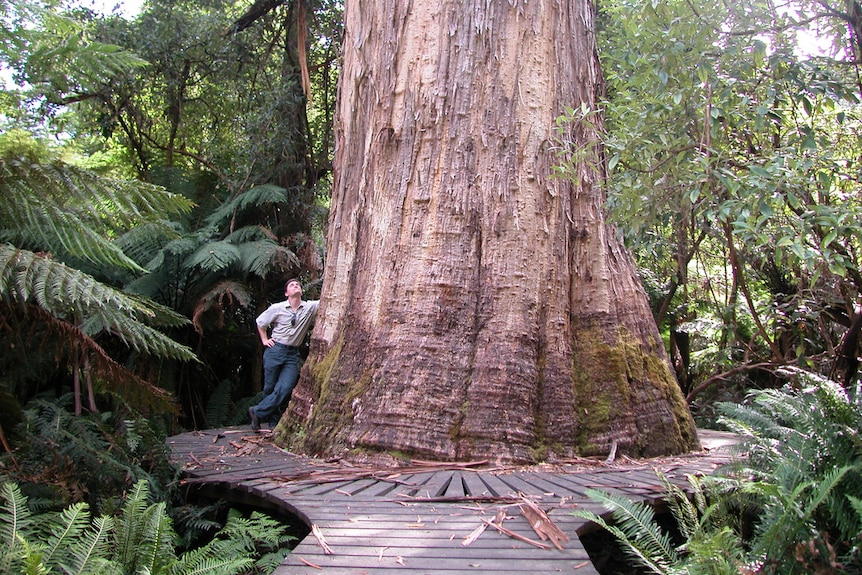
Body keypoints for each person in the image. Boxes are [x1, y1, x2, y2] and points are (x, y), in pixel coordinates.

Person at [249, 278, 319, 431]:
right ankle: (273, 423)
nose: (296, 286)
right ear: (287, 293)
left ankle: (257, 412)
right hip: (275, 350)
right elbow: (260, 322)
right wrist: (264, 339)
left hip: (292, 353)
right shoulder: (277, 308)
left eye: (298, 285)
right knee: (269, 388)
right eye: (292, 285)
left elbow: (328, 300)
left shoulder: (309, 307)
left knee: (286, 387)